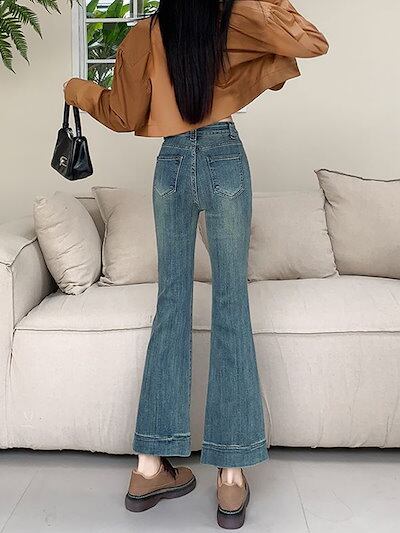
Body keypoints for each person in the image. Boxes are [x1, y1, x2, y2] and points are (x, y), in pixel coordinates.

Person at [64, 0, 328, 528]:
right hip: (224, 157)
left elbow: (121, 114)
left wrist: (77, 90)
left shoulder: (145, 34)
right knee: (232, 305)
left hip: (171, 164)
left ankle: (148, 467)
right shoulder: (230, 20)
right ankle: (230, 478)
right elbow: (311, 40)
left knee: (171, 304)